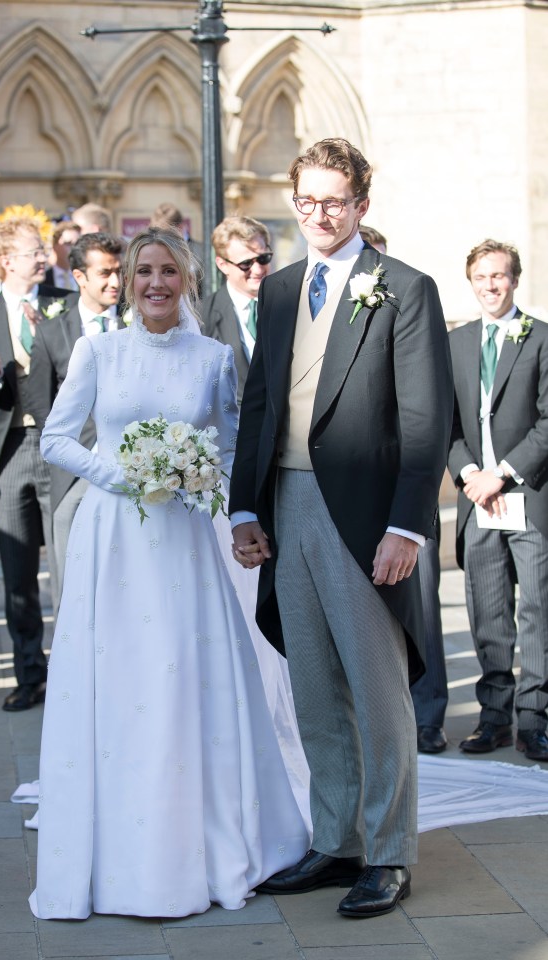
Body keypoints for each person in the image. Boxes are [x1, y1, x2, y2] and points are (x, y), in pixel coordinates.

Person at [29, 226, 309, 920]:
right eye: (144, 271)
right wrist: (121, 474)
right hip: (115, 536)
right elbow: (57, 438)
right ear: (127, 279)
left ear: (187, 282)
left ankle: (202, 846)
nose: (156, 283)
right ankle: (116, 854)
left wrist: (207, 482)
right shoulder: (99, 351)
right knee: (119, 682)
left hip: (185, 537)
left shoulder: (213, 359)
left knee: (185, 680)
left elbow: (235, 442)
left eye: (169, 273)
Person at [229, 138, 453, 918]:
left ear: (362, 204)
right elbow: (261, 402)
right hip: (285, 504)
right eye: (307, 200)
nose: (319, 214)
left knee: (377, 688)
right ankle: (336, 840)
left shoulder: (405, 288)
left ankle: (389, 853)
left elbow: (427, 423)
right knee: (313, 686)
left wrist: (408, 529)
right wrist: (245, 507)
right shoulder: (282, 288)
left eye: (335, 201)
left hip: (365, 519)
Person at [0, 215, 77, 712]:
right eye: (36, 249)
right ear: (7, 259)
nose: (44, 256)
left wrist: (51, 339)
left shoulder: (63, 307)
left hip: (61, 449)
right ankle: (28, 674)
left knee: (68, 567)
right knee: (18, 573)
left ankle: (74, 672)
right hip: (10, 450)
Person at [448, 240, 548, 763]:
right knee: (488, 613)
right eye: (482, 277)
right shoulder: (457, 343)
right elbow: (443, 422)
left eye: (501, 276)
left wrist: (502, 474)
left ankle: (534, 722)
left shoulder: (542, 339)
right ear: (471, 282)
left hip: (526, 496)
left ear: (515, 279)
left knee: (535, 610)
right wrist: (470, 474)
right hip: (477, 501)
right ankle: (494, 720)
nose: (491, 285)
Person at [359, 225, 449, 755]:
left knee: (421, 611)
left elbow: (428, 411)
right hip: (353, 491)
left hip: (407, 496)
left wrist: (413, 517)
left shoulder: (411, 306)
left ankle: (428, 714)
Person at [25, 232, 125, 598]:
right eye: (105, 273)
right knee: (70, 582)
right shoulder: (52, 333)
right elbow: (39, 404)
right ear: (79, 277)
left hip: (133, 470)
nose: (115, 281)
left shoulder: (139, 323)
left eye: (119, 271)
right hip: (73, 474)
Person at [201, 216, 272, 403]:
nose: (257, 270)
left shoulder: (292, 305)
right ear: (222, 264)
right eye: (246, 263)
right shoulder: (202, 317)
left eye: (263, 258)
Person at [44, 220, 80, 291]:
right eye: (68, 243)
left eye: (77, 243)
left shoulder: (86, 276)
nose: (74, 248)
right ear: (54, 245)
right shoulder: (43, 278)